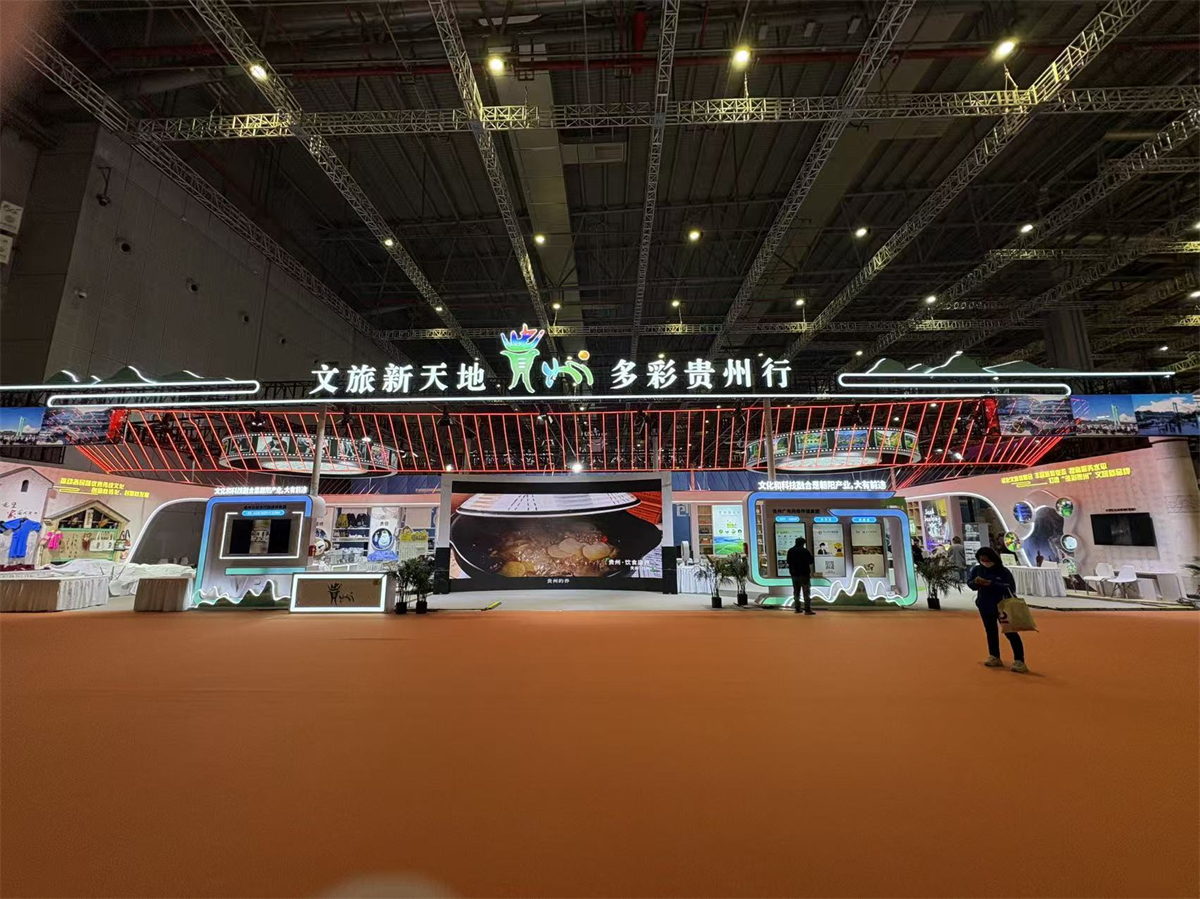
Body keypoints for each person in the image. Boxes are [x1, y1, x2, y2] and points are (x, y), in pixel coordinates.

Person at [967, 547, 1027, 673]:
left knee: (1010, 632)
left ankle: (1019, 660)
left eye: (987, 560)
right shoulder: (977, 569)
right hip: (985, 604)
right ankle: (994, 656)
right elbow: (970, 584)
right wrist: (976, 583)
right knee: (990, 631)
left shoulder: (1003, 571)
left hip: (1003, 605)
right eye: (982, 560)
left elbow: (1010, 587)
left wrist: (991, 583)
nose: (985, 562)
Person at [786, 537, 815, 615]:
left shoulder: (791, 551)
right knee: (806, 591)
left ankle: (797, 608)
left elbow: (788, 561)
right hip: (804, 573)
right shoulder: (805, 551)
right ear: (803, 543)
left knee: (796, 591)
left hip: (794, 574)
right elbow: (811, 561)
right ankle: (807, 609)